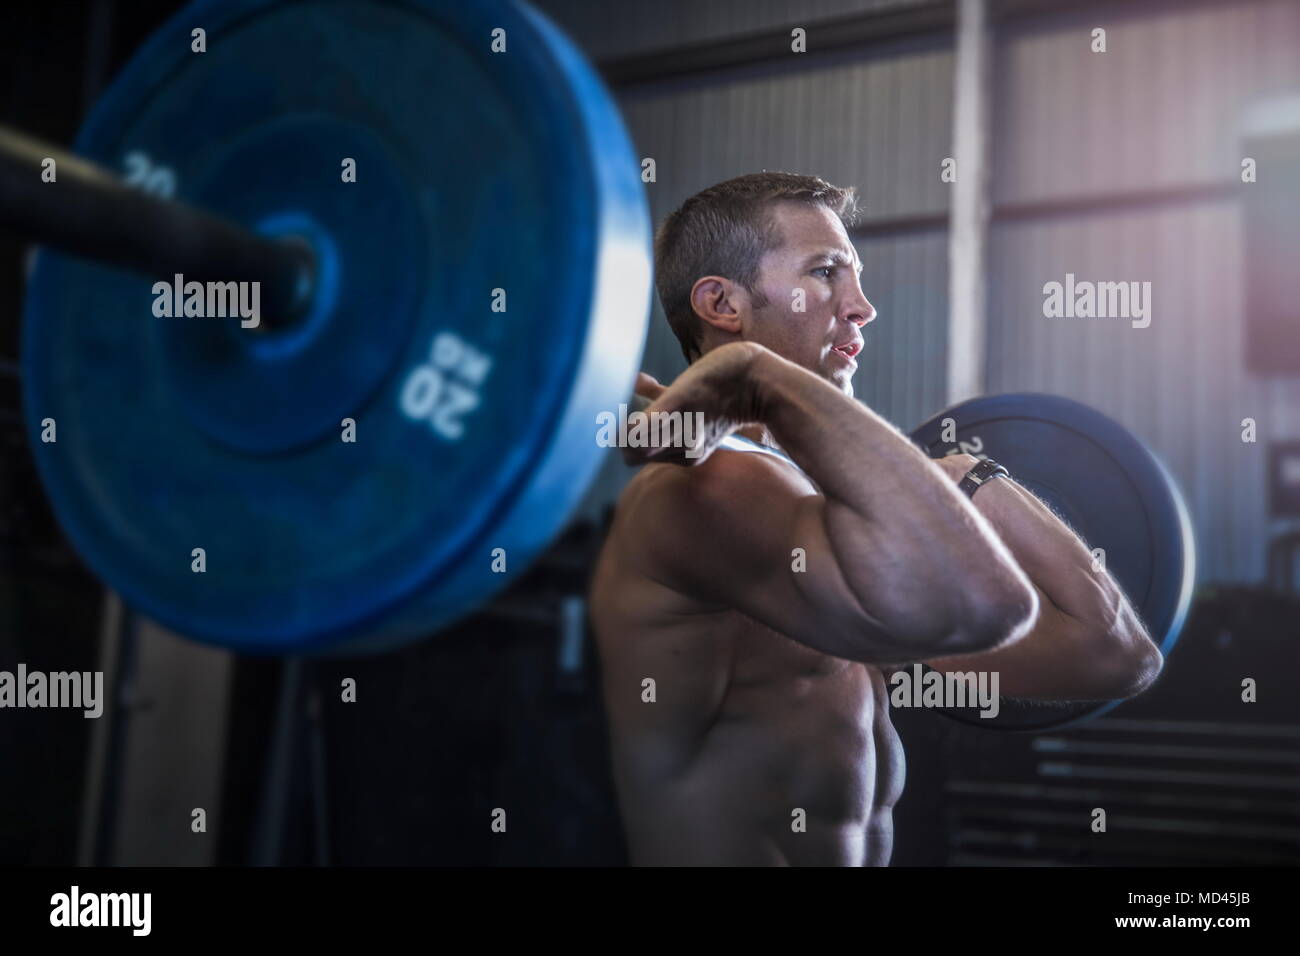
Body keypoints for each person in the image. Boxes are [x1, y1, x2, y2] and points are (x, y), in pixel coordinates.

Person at [588, 171, 1163, 866]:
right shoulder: (706, 492)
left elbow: (1114, 656)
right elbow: (986, 603)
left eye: (855, 275)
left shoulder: (824, 516)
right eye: (825, 272)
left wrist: (966, 473)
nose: (862, 307)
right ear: (722, 303)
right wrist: (756, 377)